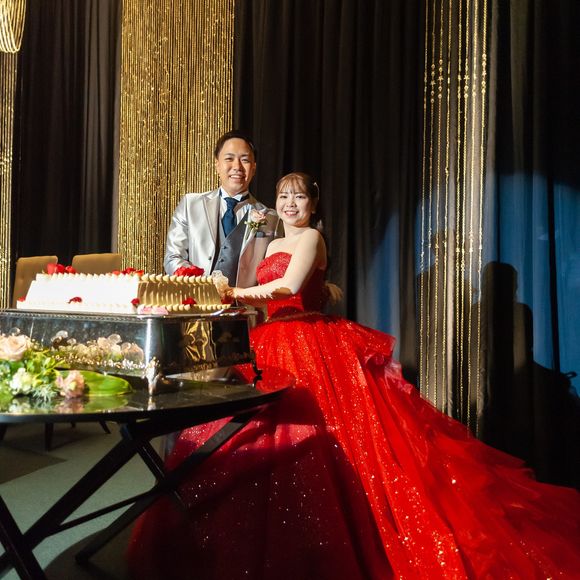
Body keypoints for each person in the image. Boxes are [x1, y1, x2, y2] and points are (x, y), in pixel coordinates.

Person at [128, 172, 580, 579]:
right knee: (245, 436)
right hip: (270, 340)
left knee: (335, 441)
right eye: (283, 196)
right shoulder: (270, 243)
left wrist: (233, 291)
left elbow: (286, 287)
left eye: (298, 197)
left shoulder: (311, 238)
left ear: (313, 204)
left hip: (310, 342)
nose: (289, 204)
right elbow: (269, 292)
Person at [163, 130, 280, 287]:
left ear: (253, 168)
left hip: (245, 301)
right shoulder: (190, 205)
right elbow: (173, 257)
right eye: (229, 159)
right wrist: (200, 285)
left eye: (245, 160)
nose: (237, 166)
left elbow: (270, 272)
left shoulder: (271, 218)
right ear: (217, 164)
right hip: (198, 297)